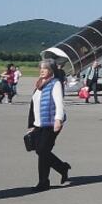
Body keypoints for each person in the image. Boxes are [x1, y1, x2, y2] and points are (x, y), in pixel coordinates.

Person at [27, 59, 70, 191]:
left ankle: (43, 182)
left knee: (42, 151)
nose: (42, 70)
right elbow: (33, 106)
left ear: (51, 70)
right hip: (39, 124)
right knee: (41, 151)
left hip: (51, 123)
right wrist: (32, 124)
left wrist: (58, 120)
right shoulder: (39, 84)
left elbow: (59, 103)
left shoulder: (55, 83)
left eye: (45, 68)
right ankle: (62, 167)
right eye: (40, 68)